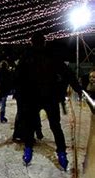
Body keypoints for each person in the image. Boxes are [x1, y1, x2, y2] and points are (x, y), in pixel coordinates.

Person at [15, 32, 82, 170]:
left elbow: (16, 78)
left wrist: (1, 93)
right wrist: (78, 88)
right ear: (44, 42)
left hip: (34, 98)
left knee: (30, 126)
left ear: (32, 43)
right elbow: (67, 73)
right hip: (49, 97)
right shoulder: (52, 55)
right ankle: (61, 153)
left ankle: (28, 150)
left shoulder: (27, 56)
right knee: (55, 126)